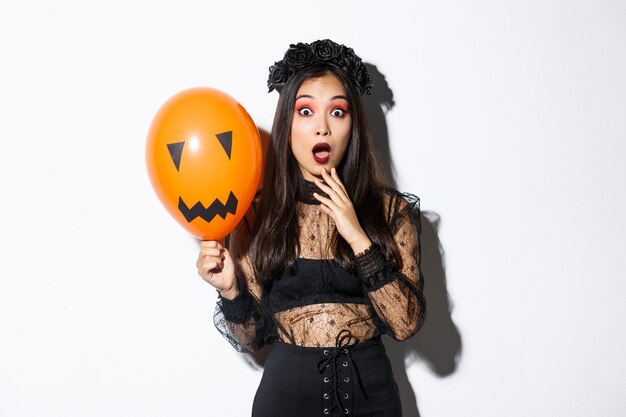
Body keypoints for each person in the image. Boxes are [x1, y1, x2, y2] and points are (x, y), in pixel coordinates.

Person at [196, 39, 425, 417]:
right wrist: (231, 289)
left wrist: (356, 235)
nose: (322, 128)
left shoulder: (389, 211)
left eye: (337, 112)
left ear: (353, 124)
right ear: (287, 123)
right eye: (306, 111)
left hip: (373, 399)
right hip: (284, 398)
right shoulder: (259, 214)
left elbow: (405, 324)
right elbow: (253, 338)